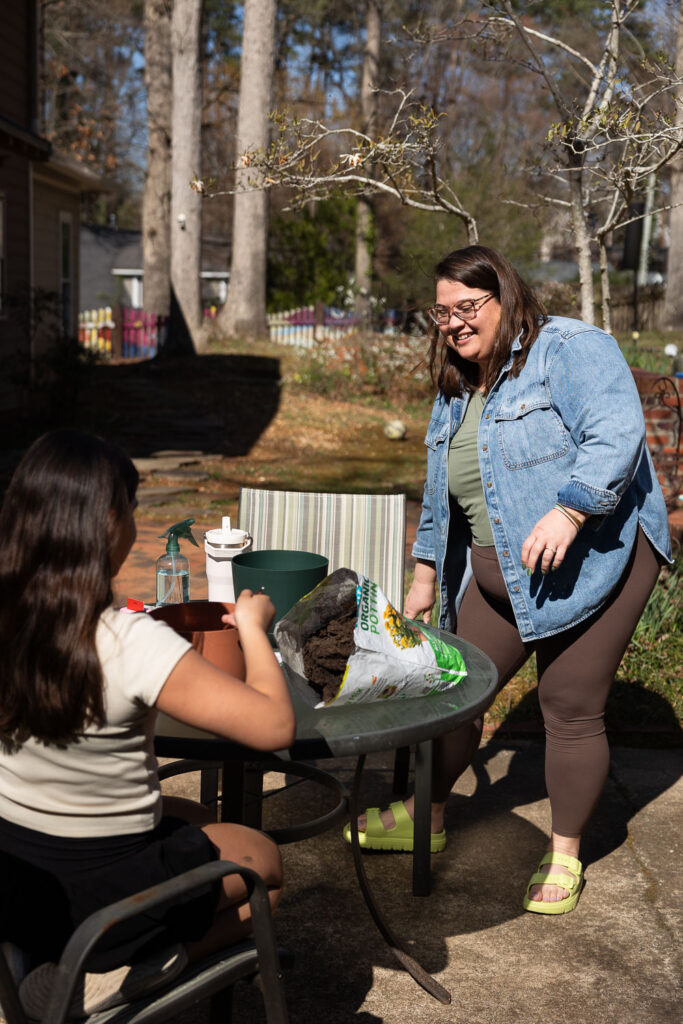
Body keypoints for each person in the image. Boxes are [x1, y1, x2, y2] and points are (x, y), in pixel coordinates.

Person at [345, 245, 672, 915]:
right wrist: (423, 572)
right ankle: (424, 815)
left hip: (597, 557)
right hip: (503, 568)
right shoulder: (459, 381)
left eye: (468, 308)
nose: (455, 324)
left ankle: (563, 852)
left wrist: (570, 508)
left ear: (506, 296)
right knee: (455, 691)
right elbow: (444, 490)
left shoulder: (569, 348)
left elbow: (616, 432)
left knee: (567, 704)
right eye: (442, 313)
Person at [0, 429, 295, 1016]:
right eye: (132, 509)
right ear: (109, 522)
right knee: (265, 863)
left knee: (198, 818)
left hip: (20, 877)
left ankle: (57, 962)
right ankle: (126, 971)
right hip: (100, 894)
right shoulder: (127, 640)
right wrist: (254, 627)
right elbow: (273, 726)